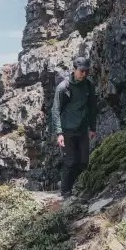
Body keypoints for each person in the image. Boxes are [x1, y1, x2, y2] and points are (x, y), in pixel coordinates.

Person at [51, 56, 98, 197]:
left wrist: (92, 128)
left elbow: (92, 107)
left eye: (87, 71)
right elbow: (55, 110)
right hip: (67, 131)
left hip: (82, 129)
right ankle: (65, 192)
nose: (84, 74)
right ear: (74, 70)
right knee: (70, 162)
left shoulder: (89, 85)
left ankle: (78, 187)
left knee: (84, 161)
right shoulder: (63, 88)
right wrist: (59, 133)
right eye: (82, 71)